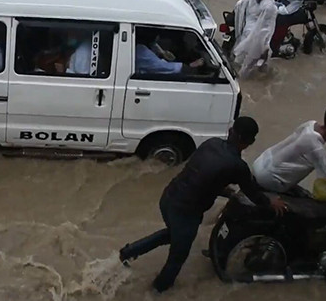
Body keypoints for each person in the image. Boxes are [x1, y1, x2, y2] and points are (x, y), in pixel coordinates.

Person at [119, 117, 286, 293]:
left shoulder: (211, 143)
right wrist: (271, 203)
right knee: (177, 258)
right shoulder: (238, 166)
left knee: (172, 235)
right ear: (250, 142)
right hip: (185, 212)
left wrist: (226, 192)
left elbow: (202, 175)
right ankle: (157, 291)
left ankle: (127, 253)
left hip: (168, 198)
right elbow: (253, 194)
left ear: (230, 131)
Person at [232, 0, 280, 77]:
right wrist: (265, 46)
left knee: (240, 57)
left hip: (245, 30)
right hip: (256, 36)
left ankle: (235, 74)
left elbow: (238, 5)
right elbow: (267, 28)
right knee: (252, 62)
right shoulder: (270, 7)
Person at [135, 29, 204, 75]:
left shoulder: (141, 45)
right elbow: (162, 67)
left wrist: (162, 53)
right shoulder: (141, 52)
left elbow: (153, 45)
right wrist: (188, 66)